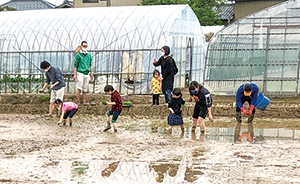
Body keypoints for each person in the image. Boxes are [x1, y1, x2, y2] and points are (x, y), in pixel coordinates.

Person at [73, 41, 94, 105]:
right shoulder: (78, 55)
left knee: (85, 88)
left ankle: (84, 101)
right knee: (79, 88)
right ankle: (78, 101)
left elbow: (90, 65)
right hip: (80, 72)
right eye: (84, 46)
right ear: (81, 46)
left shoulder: (89, 55)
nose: (85, 47)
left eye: (86, 46)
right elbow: (75, 65)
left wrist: (91, 73)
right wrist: (75, 74)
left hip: (86, 73)